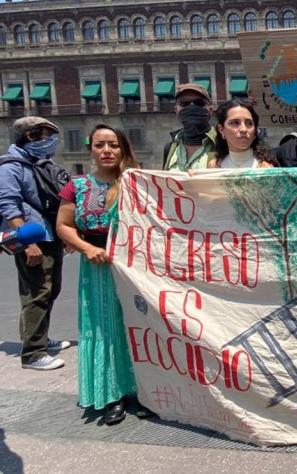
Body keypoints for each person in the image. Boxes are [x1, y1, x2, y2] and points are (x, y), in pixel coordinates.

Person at [56, 124, 149, 425]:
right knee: (106, 328)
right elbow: (64, 226)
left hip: (135, 267)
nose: (106, 150)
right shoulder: (76, 186)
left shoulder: (137, 183)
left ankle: (145, 391)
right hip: (96, 268)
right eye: (100, 145)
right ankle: (112, 394)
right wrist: (85, 248)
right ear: (91, 150)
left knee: (139, 327)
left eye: (113, 145)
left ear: (123, 149)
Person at [0, 116, 70, 371]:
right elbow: (8, 205)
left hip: (48, 236)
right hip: (32, 239)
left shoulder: (35, 163)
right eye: (47, 135)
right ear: (30, 136)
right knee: (37, 293)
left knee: (50, 289)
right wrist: (28, 243)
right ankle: (32, 354)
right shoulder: (11, 166)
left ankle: (38, 337)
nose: (51, 141)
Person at [163, 83, 217, 171]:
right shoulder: (169, 149)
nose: (192, 106)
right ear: (176, 110)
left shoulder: (223, 145)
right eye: (184, 103)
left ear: (210, 110)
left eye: (199, 103)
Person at [208, 99, 276, 169]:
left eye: (249, 123)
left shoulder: (266, 169)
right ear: (221, 129)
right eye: (235, 123)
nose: (243, 129)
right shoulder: (214, 166)